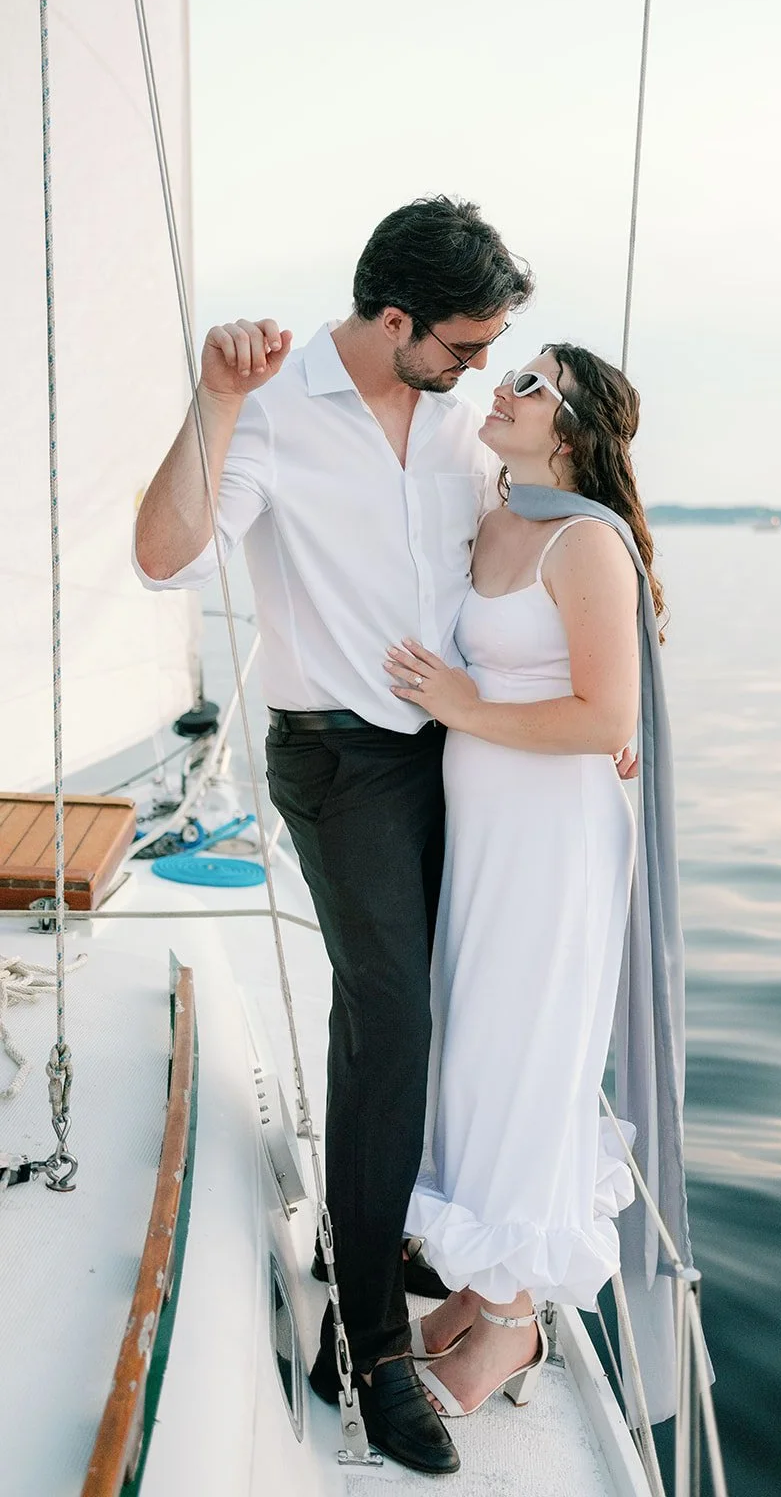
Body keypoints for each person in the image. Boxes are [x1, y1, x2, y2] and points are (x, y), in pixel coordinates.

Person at [133, 197, 533, 1476]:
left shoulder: (463, 416)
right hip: (341, 758)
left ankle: (393, 1224)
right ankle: (366, 1341)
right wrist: (214, 401)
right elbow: (163, 559)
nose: (483, 365)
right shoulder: (273, 408)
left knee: (465, 1000)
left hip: (466, 749)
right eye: (466, 343)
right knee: (388, 1015)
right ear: (394, 318)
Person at [380, 344, 666, 1416]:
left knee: (523, 1054)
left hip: (554, 843)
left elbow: (607, 717)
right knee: (473, 1049)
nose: (503, 387)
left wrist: (463, 706)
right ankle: (478, 1284)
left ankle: (511, 1325)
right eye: (514, 373)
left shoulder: (585, 542)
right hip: (488, 835)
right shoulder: (500, 515)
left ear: (575, 430)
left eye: (533, 384)